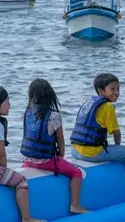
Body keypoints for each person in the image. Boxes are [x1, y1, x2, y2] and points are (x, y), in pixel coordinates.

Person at [0, 86, 45, 222]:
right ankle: (26, 219)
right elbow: (1, 154)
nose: (9, 105)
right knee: (22, 181)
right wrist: (4, 172)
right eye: (7, 101)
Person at [21, 78, 89, 214]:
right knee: (76, 172)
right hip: (46, 161)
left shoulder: (28, 112)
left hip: (28, 161)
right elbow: (60, 141)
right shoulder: (54, 115)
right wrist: (61, 156)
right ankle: (75, 205)